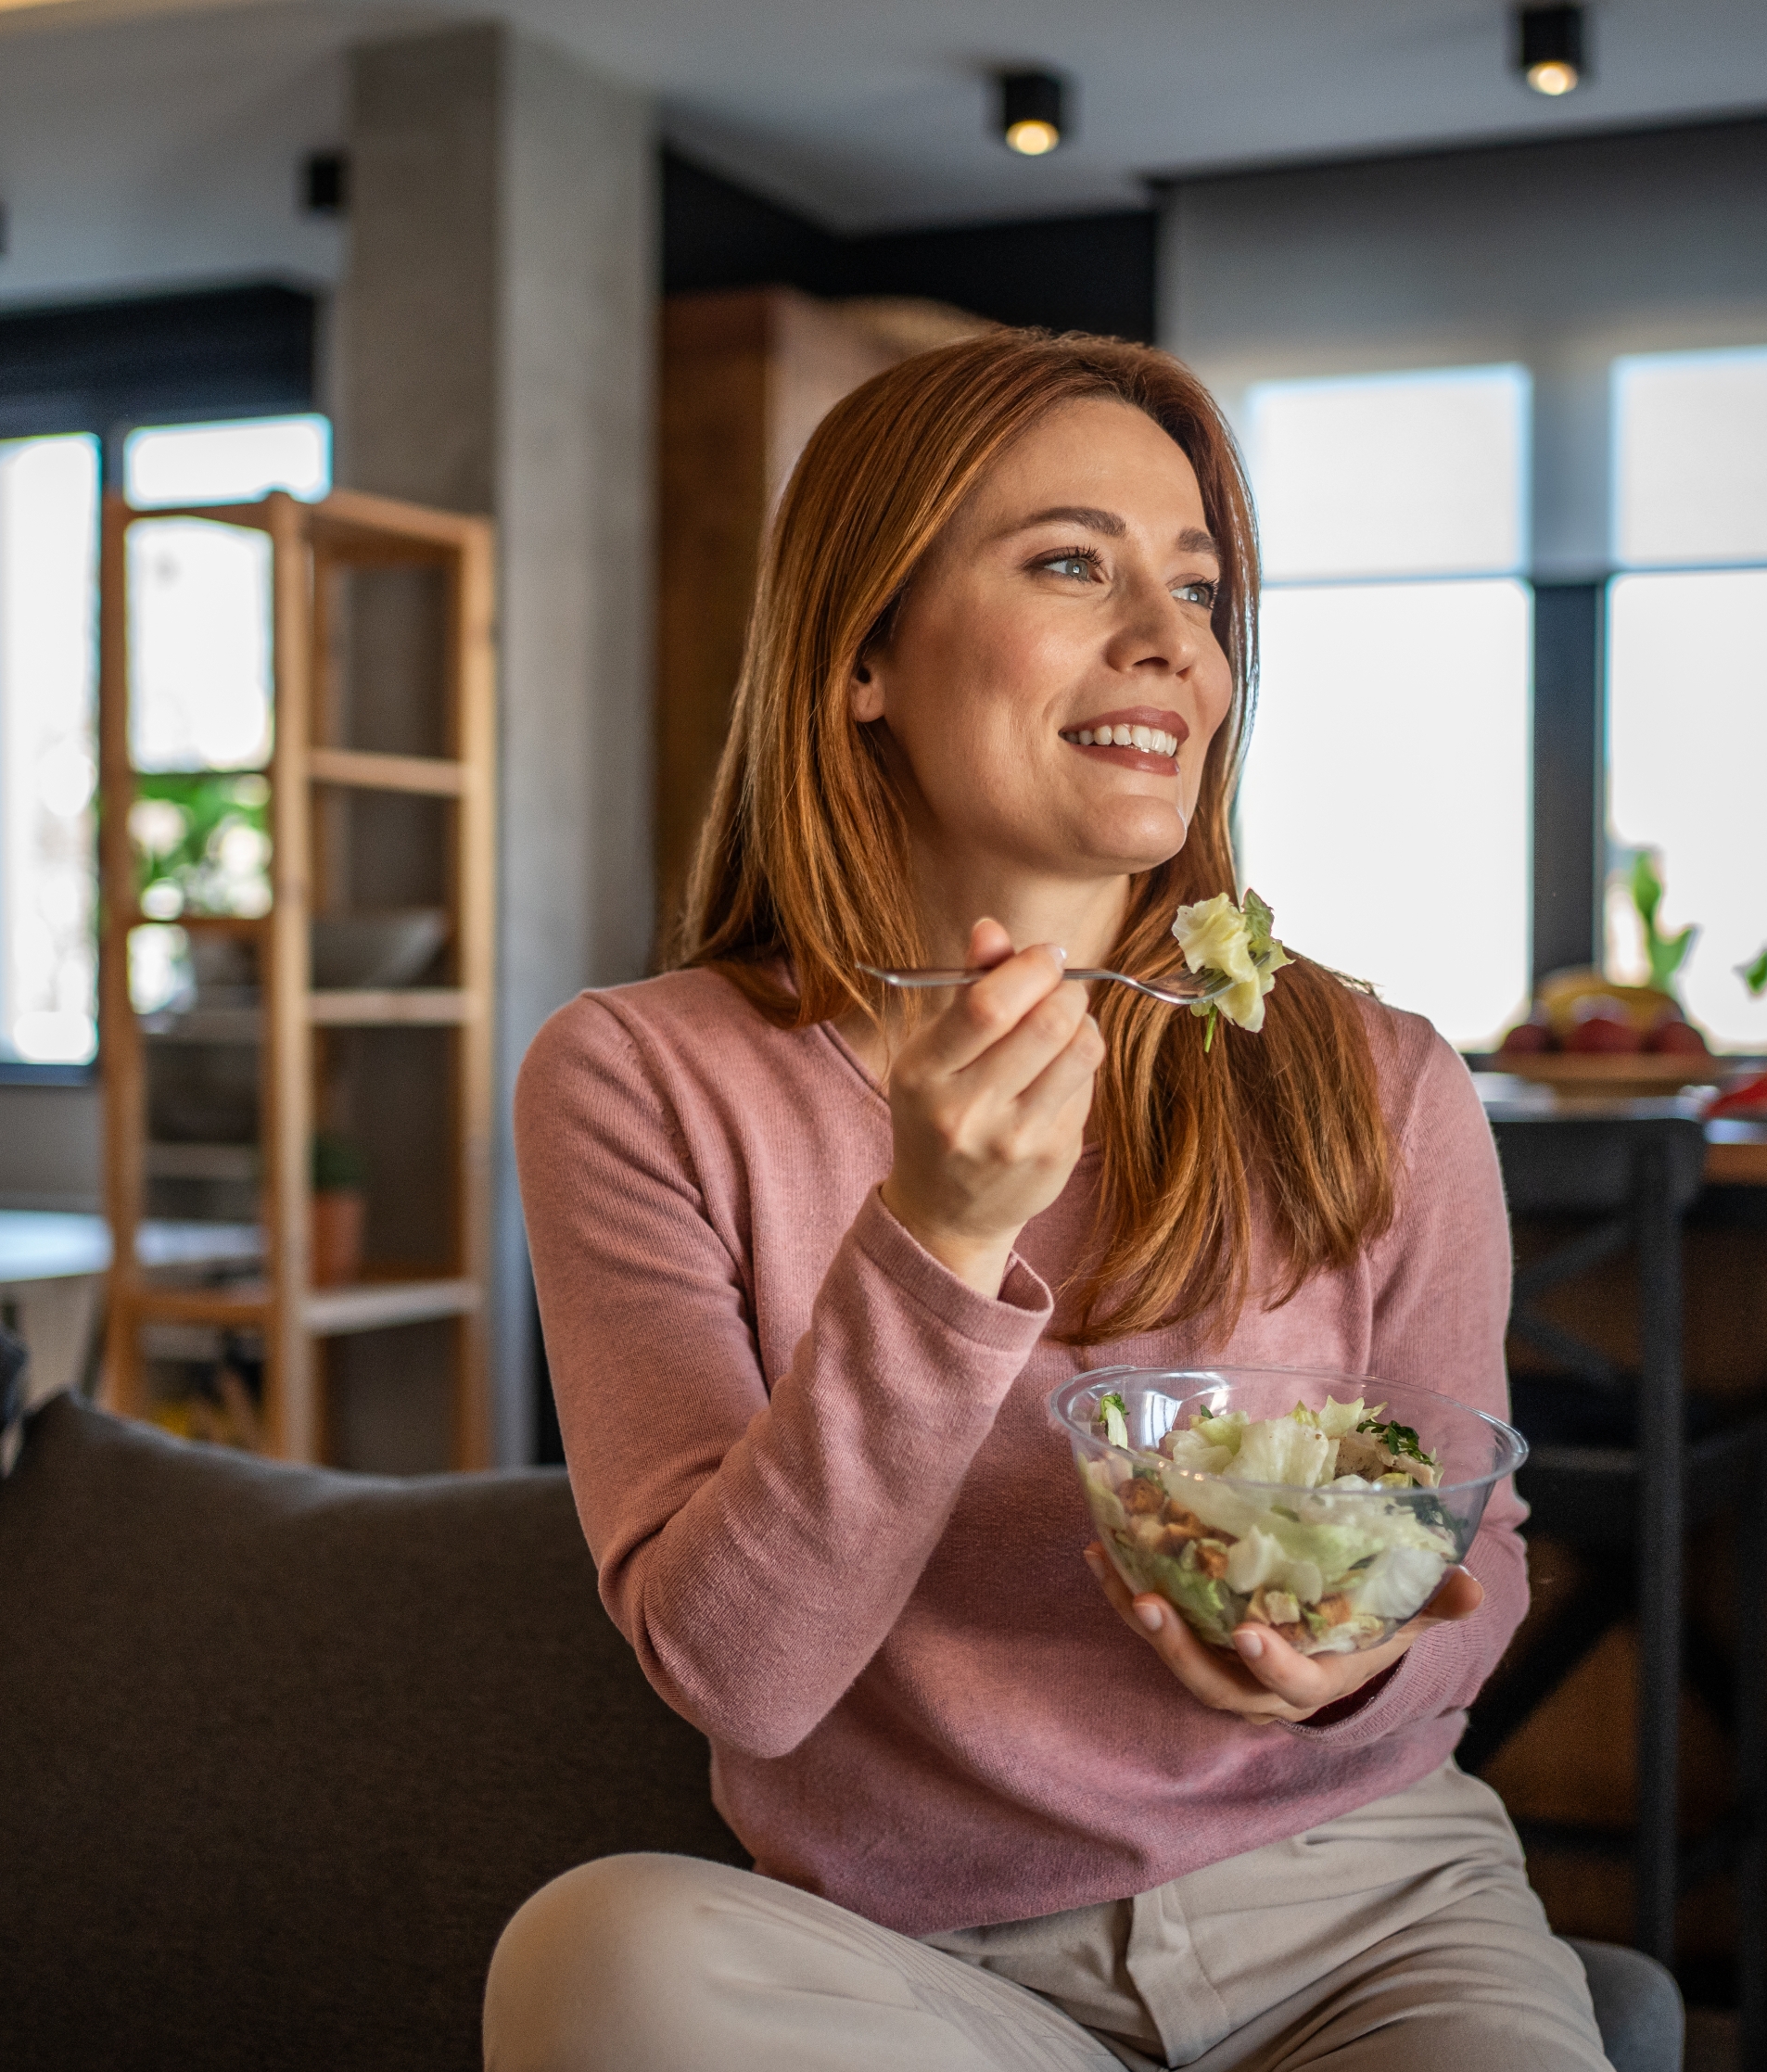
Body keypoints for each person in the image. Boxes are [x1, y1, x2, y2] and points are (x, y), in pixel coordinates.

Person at [489, 329, 1607, 2072]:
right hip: (923, 1970)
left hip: (1369, 1915)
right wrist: (933, 1243)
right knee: (599, 1954)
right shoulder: (641, 1079)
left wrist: (1359, 1663)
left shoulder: (1373, 1072)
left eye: (1204, 589)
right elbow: (745, 1679)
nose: (1174, 642)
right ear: (864, 651)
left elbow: (1483, 1552)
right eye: (1074, 563)